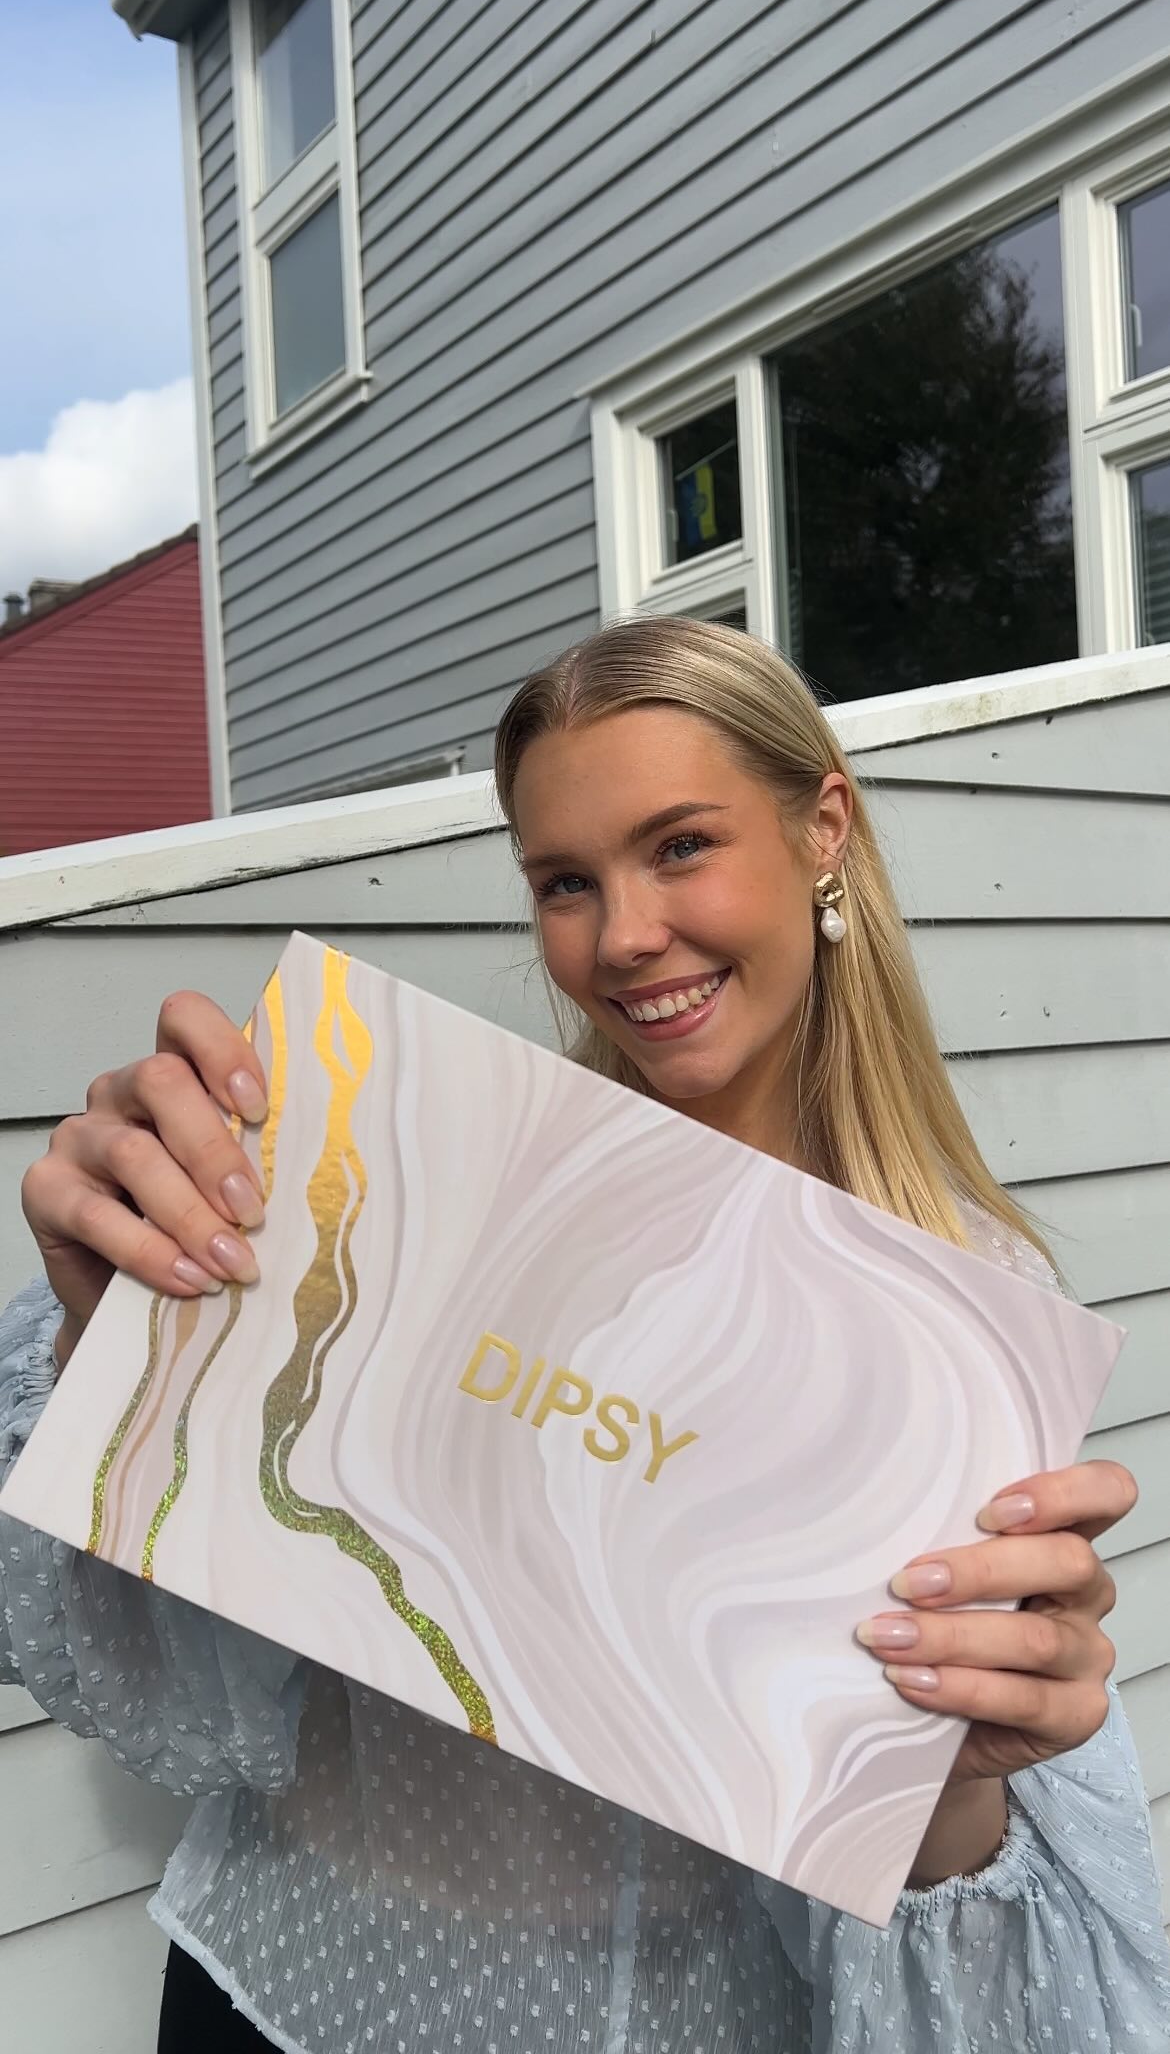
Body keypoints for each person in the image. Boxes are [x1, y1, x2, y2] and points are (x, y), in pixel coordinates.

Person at [3, 618, 1168, 2054]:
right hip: (288, 1994)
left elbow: (958, 1911)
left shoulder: (961, 1312)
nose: (620, 937)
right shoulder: (416, 1192)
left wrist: (955, 1770)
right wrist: (122, 1343)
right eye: (564, 880)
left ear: (823, 826)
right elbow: (186, 1647)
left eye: (681, 846)